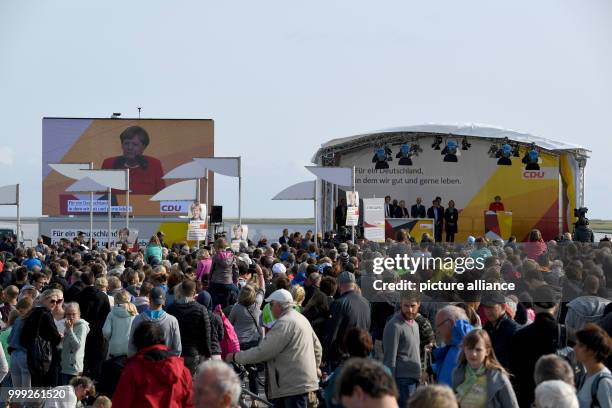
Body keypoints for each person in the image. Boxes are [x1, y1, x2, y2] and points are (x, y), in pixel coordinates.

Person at [225, 289, 322, 407]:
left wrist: (236, 357)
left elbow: (263, 352)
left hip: (291, 386)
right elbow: (317, 347)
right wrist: (315, 367)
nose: (270, 308)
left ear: (279, 305)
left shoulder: (284, 324)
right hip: (302, 383)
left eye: (271, 304)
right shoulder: (301, 319)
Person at [510, 285, 571, 408]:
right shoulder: (566, 334)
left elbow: (514, 373)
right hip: (557, 398)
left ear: (533, 305)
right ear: (556, 306)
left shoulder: (519, 336)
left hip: (526, 398)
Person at [113, 321, 193, 408]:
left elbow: (120, 403)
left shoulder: (133, 370)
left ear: (137, 342)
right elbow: (190, 404)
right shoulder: (183, 371)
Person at [452, 329, 519, 408]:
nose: (473, 354)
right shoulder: (458, 374)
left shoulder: (498, 377)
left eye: (478, 350)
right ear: (464, 350)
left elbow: (512, 406)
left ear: (487, 351)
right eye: (470, 348)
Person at [228, 266, 265, 395]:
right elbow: (262, 289)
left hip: (238, 343)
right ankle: (255, 399)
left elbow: (230, 323)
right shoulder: (257, 305)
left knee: (238, 373)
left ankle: (239, 397)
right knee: (253, 373)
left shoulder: (237, 307)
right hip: (253, 343)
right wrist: (260, 274)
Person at [324, 271, 371, 370]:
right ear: (354, 284)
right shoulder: (366, 302)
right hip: (362, 354)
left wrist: (325, 357)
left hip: (343, 358)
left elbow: (332, 333)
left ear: (339, 285)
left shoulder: (339, 304)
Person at [382, 292, 421, 407]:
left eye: (413, 306)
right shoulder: (394, 325)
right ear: (401, 304)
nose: (409, 309)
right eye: (406, 305)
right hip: (401, 380)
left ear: (419, 304)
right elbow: (389, 358)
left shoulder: (415, 324)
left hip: (414, 379)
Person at [101, 125, 165, 195]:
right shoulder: (109, 164)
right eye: (126, 143)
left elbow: (162, 196)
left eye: (135, 144)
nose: (130, 147)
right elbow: (100, 198)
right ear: (122, 145)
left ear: (143, 147)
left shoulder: (154, 164)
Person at [166, 280, 211, 375]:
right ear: (194, 292)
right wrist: (207, 354)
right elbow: (206, 334)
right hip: (193, 353)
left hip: (174, 353)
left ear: (181, 291)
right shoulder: (201, 309)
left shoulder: (171, 308)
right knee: (190, 383)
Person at [20, 289, 63, 387]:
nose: (55, 304)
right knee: (47, 389)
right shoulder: (46, 314)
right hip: (45, 357)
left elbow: (24, 337)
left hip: (32, 356)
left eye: (57, 301)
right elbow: (55, 337)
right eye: (52, 301)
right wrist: (59, 336)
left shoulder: (32, 312)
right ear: (44, 299)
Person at [75, 270, 111, 381]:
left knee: (84, 359)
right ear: (94, 280)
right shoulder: (103, 297)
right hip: (98, 333)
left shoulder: (79, 296)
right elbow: (107, 315)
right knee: (96, 361)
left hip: (83, 332)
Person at [128, 287, 181, 357]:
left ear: (149, 299)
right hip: (164, 364)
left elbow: (131, 347)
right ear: (164, 300)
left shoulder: (138, 319)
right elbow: (177, 349)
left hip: (142, 364)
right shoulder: (172, 321)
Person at [432, 305, 473, 386]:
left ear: (450, 322)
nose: (437, 332)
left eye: (438, 327)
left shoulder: (471, 344)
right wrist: (432, 369)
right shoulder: (454, 344)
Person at [573, 323, 612, 408]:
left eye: (580, 345)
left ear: (593, 351)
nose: (574, 348)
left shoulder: (604, 382)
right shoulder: (586, 374)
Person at [481, 291, 520, 370]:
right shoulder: (486, 328)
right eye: (485, 307)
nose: (487, 311)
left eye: (491, 307)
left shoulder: (513, 329)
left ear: (503, 307)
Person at [60, 302, 90, 385]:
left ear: (79, 314)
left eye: (74, 314)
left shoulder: (82, 326)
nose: (71, 317)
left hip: (73, 368)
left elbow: (77, 345)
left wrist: (69, 330)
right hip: (65, 366)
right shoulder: (69, 325)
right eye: (69, 314)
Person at [102, 289, 137, 359]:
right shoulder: (134, 313)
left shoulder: (111, 313)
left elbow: (106, 331)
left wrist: (110, 339)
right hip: (130, 348)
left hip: (114, 348)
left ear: (116, 300)